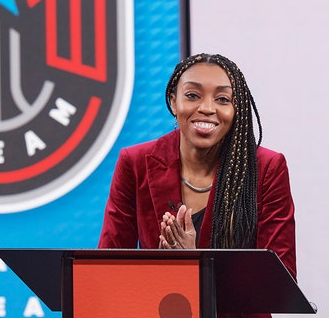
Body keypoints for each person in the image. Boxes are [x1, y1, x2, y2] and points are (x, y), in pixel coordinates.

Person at [98, 53, 297, 317]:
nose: (206, 107)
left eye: (223, 99)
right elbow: (104, 268)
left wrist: (196, 262)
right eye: (192, 95)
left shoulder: (267, 168)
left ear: (236, 110)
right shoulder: (134, 163)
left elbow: (278, 280)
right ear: (173, 101)